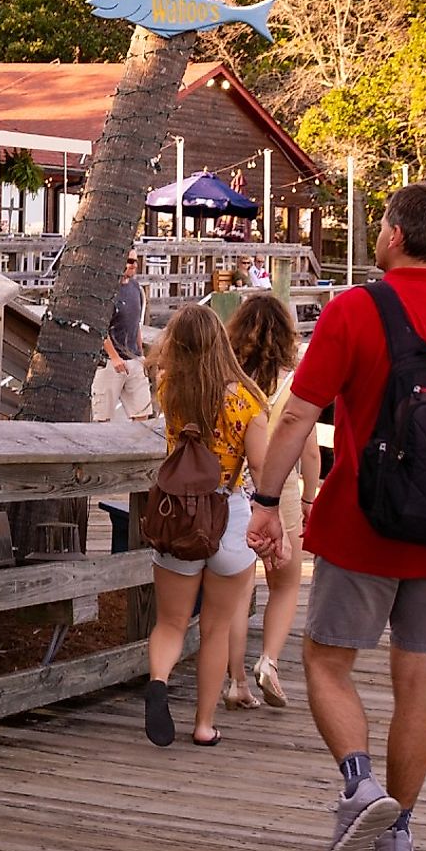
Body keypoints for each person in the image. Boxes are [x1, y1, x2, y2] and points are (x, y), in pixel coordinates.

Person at [247, 182, 426, 851]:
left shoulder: (355, 310)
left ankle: (360, 780)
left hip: (359, 526)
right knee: (418, 681)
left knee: (327, 663)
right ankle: (398, 831)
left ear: (394, 235)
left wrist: (264, 498)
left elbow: (294, 417)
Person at [138, 303, 270, 748]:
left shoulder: (170, 386)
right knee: (214, 628)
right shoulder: (246, 400)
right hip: (227, 515)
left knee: (171, 622)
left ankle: (158, 680)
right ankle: (204, 724)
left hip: (177, 514)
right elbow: (262, 467)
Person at [228, 291, 315, 710]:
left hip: (237, 491)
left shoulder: (229, 379)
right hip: (280, 491)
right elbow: (310, 450)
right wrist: (311, 497)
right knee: (285, 584)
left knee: (239, 589)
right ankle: (269, 661)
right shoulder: (296, 384)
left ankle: (235, 680)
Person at [94, 251, 155, 422]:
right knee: (102, 418)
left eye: (136, 261)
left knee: (142, 415)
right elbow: (100, 328)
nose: (134, 264)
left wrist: (141, 354)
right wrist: (114, 358)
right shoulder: (106, 292)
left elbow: (136, 324)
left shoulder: (137, 288)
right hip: (110, 362)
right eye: (129, 261)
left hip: (134, 359)